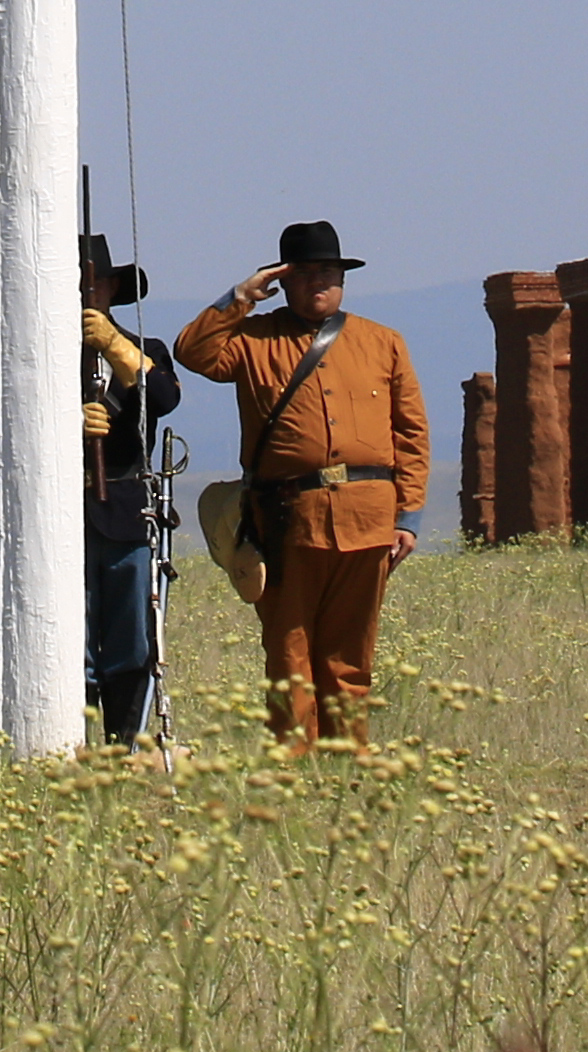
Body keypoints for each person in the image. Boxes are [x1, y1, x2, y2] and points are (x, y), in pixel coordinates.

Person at [175, 223, 427, 749]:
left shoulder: (384, 343)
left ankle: (345, 763)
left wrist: (408, 518)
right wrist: (240, 297)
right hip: (288, 519)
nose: (319, 283)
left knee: (350, 656)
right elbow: (192, 352)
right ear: (284, 280)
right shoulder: (253, 339)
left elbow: (411, 432)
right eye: (306, 273)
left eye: (329, 273)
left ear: (342, 279)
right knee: (289, 653)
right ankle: (292, 768)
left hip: (369, 517)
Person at [77, 229, 186, 744]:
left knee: (128, 639)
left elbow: (162, 397)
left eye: (94, 284)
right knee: (71, 639)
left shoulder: (145, 348)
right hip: (64, 511)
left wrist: (113, 344)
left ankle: (125, 739)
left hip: (123, 504)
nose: (85, 292)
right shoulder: (38, 357)